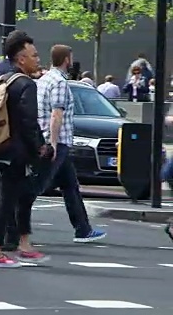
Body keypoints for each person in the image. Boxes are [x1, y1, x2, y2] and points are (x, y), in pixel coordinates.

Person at [0, 32, 49, 268]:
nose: (38, 59)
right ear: (21, 59)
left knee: (22, 197)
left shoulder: (2, 79)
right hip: (17, 151)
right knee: (7, 199)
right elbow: (29, 121)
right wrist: (39, 146)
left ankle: (24, 244)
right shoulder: (26, 84)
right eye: (34, 55)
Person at [36, 44, 106, 244]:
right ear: (66, 59)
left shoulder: (43, 80)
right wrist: (54, 144)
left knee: (70, 185)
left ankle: (83, 229)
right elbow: (56, 114)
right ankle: (11, 226)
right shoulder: (58, 82)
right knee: (37, 185)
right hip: (59, 142)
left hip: (53, 140)